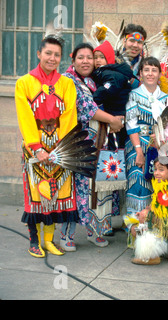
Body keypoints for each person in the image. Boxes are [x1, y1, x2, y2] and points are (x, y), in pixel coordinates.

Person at [15, 33, 79, 258]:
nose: (52, 58)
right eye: (48, 53)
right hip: (36, 146)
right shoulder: (24, 83)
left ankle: (49, 240)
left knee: (54, 194)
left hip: (59, 147)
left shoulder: (66, 84)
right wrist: (37, 147)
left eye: (57, 55)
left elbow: (70, 116)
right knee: (35, 194)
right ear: (39, 54)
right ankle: (34, 241)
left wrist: (62, 148)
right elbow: (25, 117)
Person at [61, 43, 124, 251]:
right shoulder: (69, 80)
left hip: (100, 141)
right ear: (73, 60)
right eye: (81, 57)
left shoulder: (94, 80)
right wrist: (113, 120)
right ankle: (66, 235)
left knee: (94, 189)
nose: (86, 61)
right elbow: (86, 108)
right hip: (78, 143)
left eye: (90, 57)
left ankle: (93, 230)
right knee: (75, 188)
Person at [124, 57, 168, 234]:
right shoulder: (134, 95)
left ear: (159, 74)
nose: (150, 73)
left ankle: (154, 226)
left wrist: (161, 140)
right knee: (138, 181)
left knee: (157, 183)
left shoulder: (166, 98)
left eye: (154, 70)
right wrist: (138, 151)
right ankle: (135, 227)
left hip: (159, 146)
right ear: (140, 73)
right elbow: (131, 124)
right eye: (147, 70)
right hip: (137, 144)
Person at [92, 40, 134, 148]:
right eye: (95, 57)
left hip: (116, 114)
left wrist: (95, 97)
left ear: (109, 58)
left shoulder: (109, 73)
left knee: (113, 147)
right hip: (113, 115)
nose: (98, 60)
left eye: (102, 57)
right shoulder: (104, 72)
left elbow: (110, 87)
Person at [116, 23, 148, 88]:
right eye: (132, 41)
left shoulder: (146, 65)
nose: (135, 45)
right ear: (124, 41)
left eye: (139, 42)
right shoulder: (113, 61)